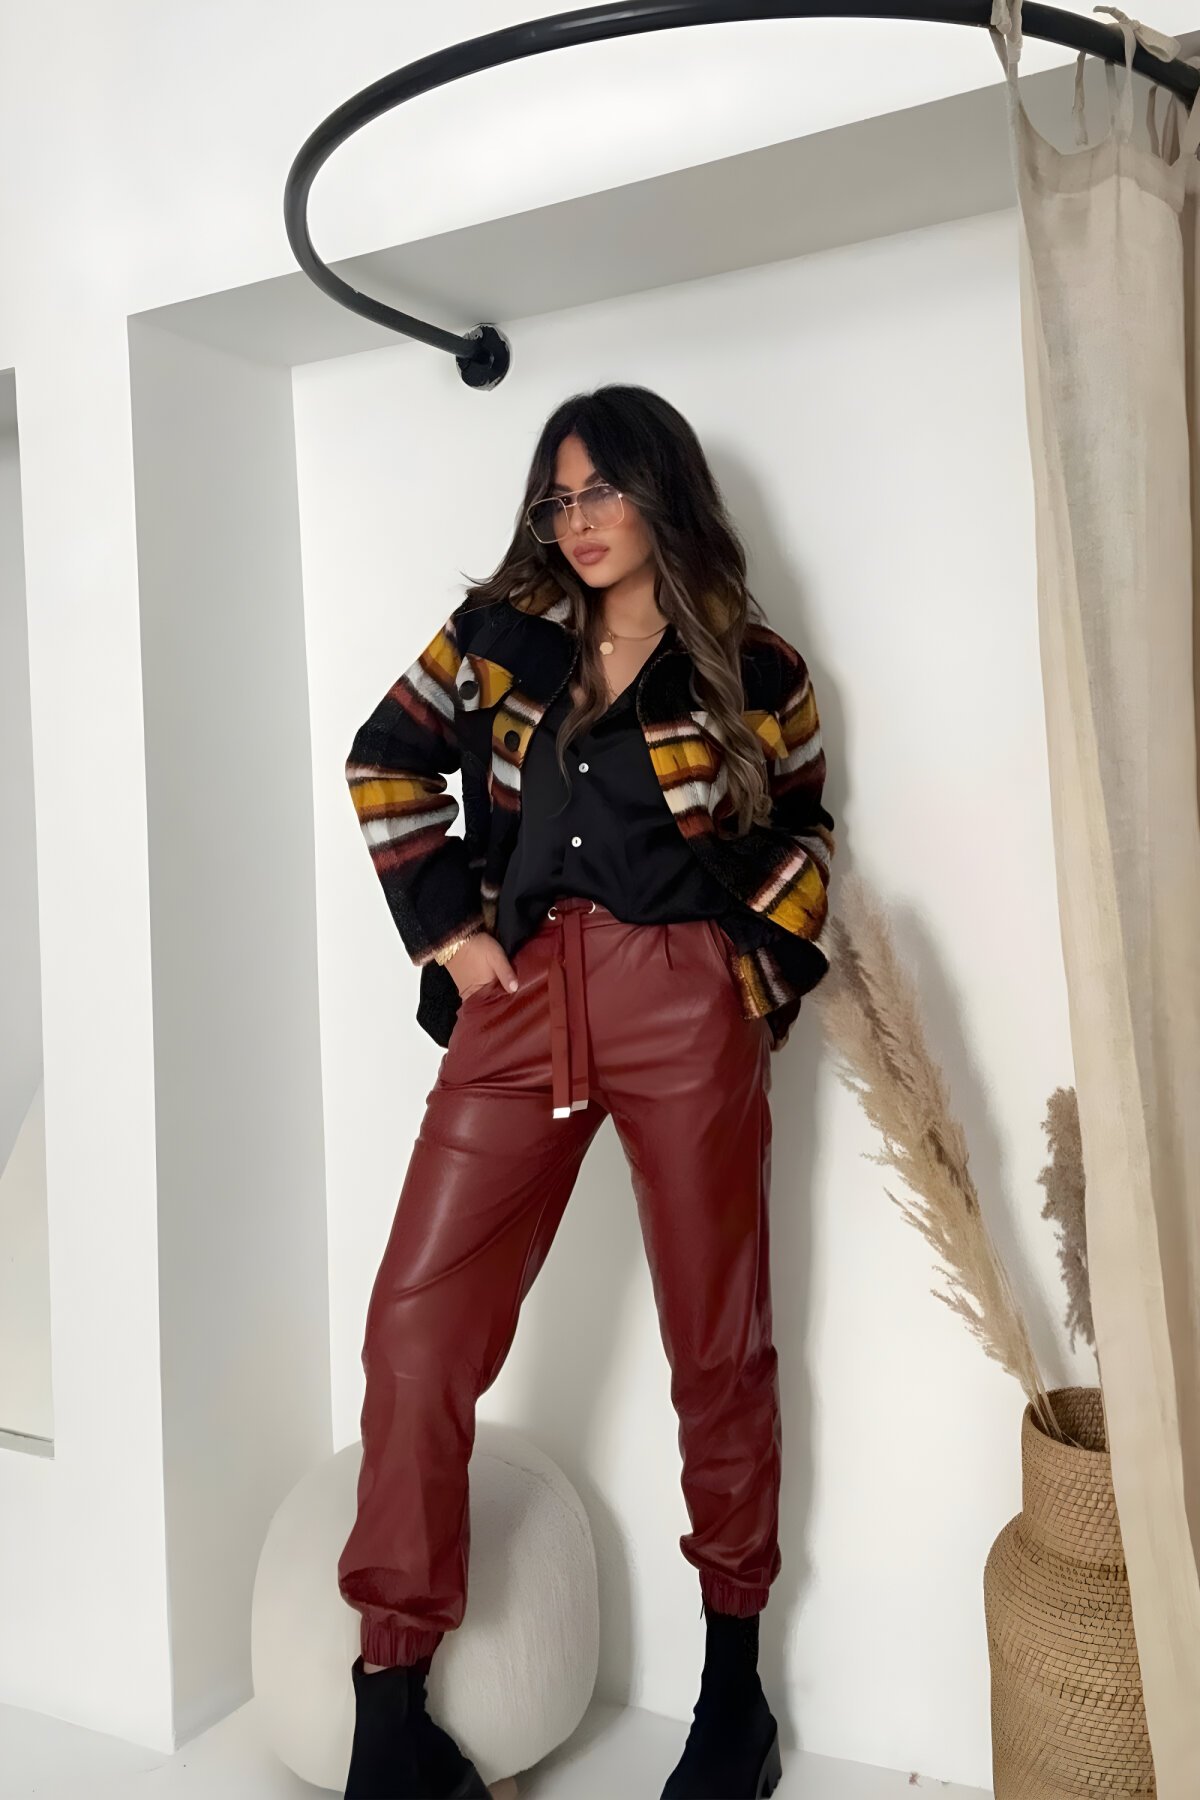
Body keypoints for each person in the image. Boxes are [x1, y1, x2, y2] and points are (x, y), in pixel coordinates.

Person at [339, 384, 835, 1800]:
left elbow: (807, 832)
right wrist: (452, 931)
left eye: (603, 490)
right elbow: (385, 756)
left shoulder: (753, 663)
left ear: (661, 490)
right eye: (558, 498)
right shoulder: (502, 635)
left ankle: (733, 1701)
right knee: (415, 1330)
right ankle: (389, 1709)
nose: (579, 521)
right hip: (520, 995)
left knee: (716, 1348)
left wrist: (739, 977)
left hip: (682, 1001)